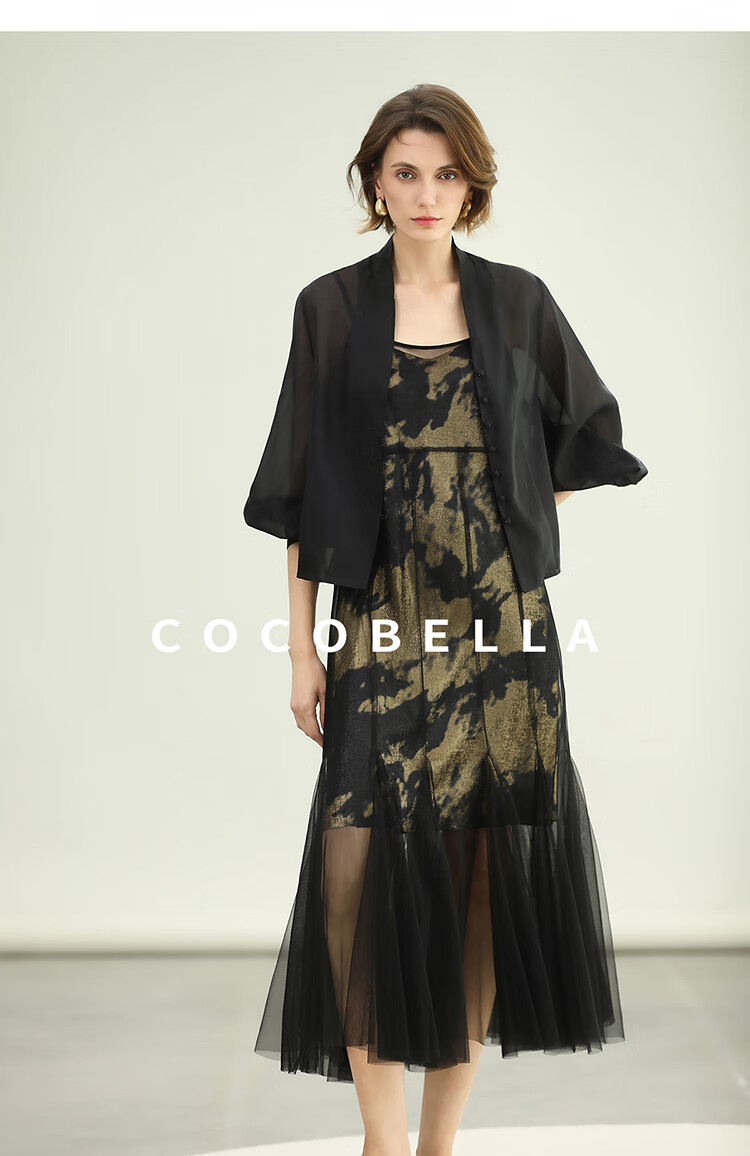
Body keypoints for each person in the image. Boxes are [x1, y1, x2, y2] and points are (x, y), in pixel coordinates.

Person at [243, 84, 647, 1156]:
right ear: (375, 183)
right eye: (406, 172)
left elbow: (590, 433)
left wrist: (512, 503)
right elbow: (296, 489)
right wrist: (300, 649)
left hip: (501, 631)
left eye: (448, 173)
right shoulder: (331, 309)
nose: (427, 193)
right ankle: (382, 1142)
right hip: (378, 623)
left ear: (473, 185)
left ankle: (438, 1144)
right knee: (352, 872)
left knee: (476, 884)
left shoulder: (517, 303)